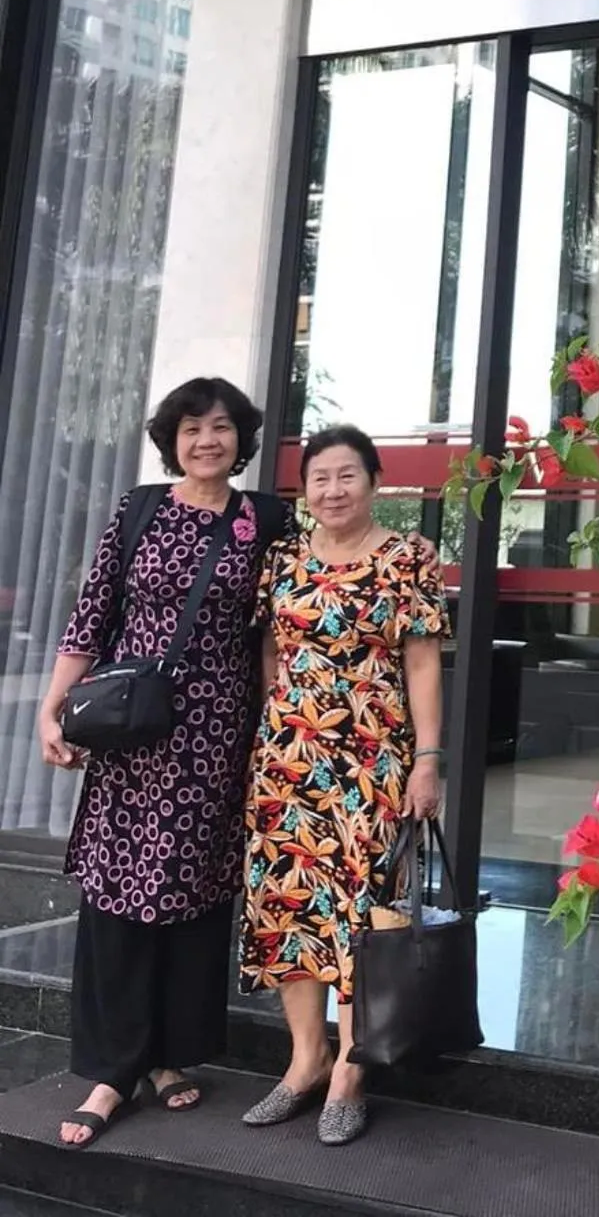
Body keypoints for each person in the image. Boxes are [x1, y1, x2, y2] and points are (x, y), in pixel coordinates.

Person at [38, 378, 289, 1149]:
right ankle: (113, 1070)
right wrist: (53, 707)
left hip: (215, 733)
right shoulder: (141, 509)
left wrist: (276, 731)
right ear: (172, 441)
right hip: (131, 728)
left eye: (220, 427)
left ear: (240, 439)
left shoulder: (265, 520)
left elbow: (273, 633)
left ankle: (169, 1055)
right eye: (191, 428)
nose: (207, 440)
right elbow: (92, 613)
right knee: (121, 885)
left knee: (190, 887)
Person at [240, 424, 447, 1146]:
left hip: (371, 762)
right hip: (287, 764)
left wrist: (428, 759)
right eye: (319, 478)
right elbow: (272, 651)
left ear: (375, 481)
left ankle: (351, 1073)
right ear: (305, 489)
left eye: (347, 475)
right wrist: (280, 726)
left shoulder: (405, 560)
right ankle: (306, 1060)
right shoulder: (282, 558)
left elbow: (422, 662)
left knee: (362, 913)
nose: (333, 490)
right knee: (291, 909)